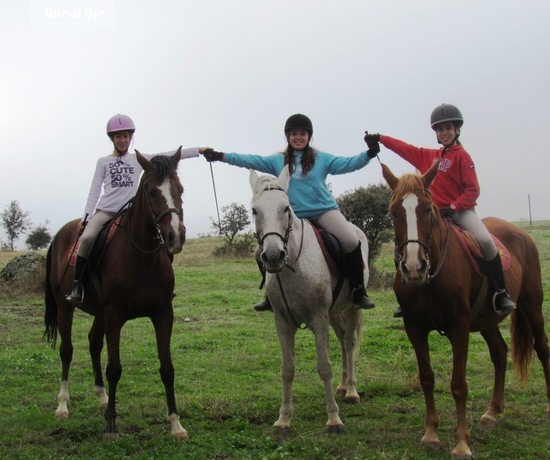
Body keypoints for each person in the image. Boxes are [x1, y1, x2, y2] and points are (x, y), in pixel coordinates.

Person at [202, 113, 378, 312]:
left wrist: (369, 153)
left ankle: (357, 290)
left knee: (350, 241)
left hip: (324, 212)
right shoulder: (278, 161)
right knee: (260, 252)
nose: (298, 137)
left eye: (302, 133)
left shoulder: (323, 159)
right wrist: (221, 156)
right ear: (288, 136)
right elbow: (251, 160)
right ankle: (270, 295)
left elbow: (349, 164)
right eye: (294, 133)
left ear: (309, 136)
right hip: (293, 217)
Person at [365, 103, 516, 317]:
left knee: (485, 241)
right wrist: (380, 139)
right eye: (440, 129)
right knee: (404, 245)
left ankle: (501, 293)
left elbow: (473, 190)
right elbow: (405, 149)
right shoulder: (429, 156)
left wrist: (454, 207)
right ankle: (407, 296)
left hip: (461, 212)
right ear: (436, 133)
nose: (444, 133)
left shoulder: (463, 157)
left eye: (448, 128)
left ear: (456, 130)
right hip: (433, 214)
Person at [66, 113, 206, 306]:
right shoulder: (103, 162)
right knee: (88, 238)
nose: (122, 140)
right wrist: (87, 217)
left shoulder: (137, 159)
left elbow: (170, 154)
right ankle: (78, 285)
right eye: (118, 137)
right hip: (106, 212)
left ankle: (163, 286)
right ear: (112, 139)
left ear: (131, 137)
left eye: (125, 136)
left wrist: (199, 150)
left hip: (130, 212)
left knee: (161, 239)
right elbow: (94, 191)